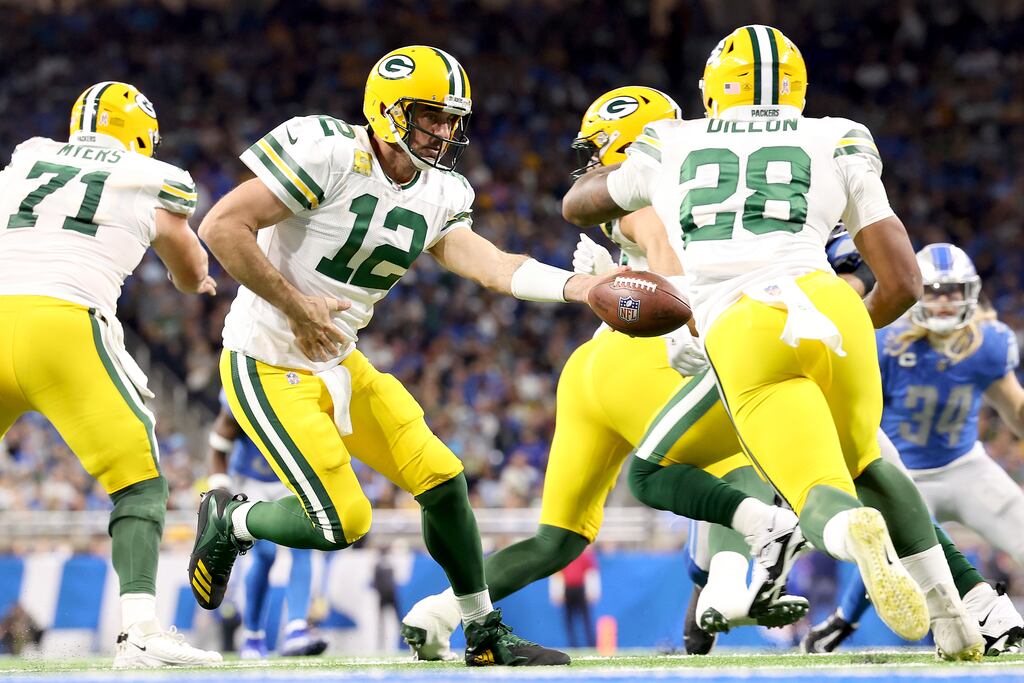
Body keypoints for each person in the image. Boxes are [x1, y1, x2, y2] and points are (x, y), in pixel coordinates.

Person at [562, 25, 985, 660]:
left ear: (712, 91)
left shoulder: (671, 141)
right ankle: (951, 616)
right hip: (833, 305)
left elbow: (580, 204)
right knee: (869, 458)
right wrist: (840, 336)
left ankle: (848, 533)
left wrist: (624, 177)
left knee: (816, 490)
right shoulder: (839, 135)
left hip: (744, 325)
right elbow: (903, 283)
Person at [189, 45, 617, 667]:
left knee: (443, 481)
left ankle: (483, 632)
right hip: (265, 359)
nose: (444, 132)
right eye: (431, 116)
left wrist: (580, 288)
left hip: (339, 359)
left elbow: (493, 266)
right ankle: (234, 519)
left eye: (451, 120)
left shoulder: (441, 190)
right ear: (387, 111)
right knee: (342, 522)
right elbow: (222, 226)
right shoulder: (330, 153)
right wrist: (295, 303)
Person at [400, 87, 808, 662]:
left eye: (598, 148)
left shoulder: (634, 195)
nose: (591, 162)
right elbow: (663, 241)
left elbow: (650, 253)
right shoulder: (662, 192)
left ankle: (440, 612)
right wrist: (684, 318)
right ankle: (727, 587)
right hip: (641, 359)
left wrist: (625, 276)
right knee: (736, 454)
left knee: (557, 540)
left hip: (592, 369)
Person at [0, 82, 220, 668]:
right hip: (64, 325)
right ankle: (140, 630)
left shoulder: (26, 157)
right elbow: (187, 259)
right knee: (139, 481)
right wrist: (196, 279)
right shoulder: (151, 177)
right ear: (141, 135)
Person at [803, 243, 1024, 655]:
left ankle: (843, 620)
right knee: (890, 552)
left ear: (970, 294)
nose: (943, 301)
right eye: (934, 290)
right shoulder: (888, 341)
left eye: (953, 291)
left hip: (965, 467)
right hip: (906, 473)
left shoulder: (987, 342)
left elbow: (1014, 408)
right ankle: (844, 620)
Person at [207, 396, 327, 658]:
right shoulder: (243, 392)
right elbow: (218, 445)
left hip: (292, 476)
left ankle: (296, 628)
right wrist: (221, 489)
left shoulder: (302, 384)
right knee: (265, 554)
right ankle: (253, 635)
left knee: (303, 544)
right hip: (251, 480)